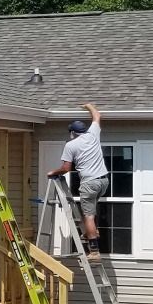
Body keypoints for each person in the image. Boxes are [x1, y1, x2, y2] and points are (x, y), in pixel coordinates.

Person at [49, 102, 107, 259]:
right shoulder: (93, 134)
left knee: (88, 215)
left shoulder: (71, 145)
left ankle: (94, 251)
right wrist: (89, 106)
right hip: (103, 181)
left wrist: (53, 172)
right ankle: (92, 232)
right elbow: (97, 116)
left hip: (89, 182)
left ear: (73, 132)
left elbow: (66, 168)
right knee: (91, 208)